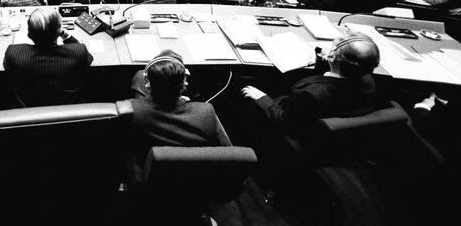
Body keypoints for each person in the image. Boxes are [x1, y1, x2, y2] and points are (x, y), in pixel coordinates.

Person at [241, 31, 383, 134]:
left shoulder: (309, 94)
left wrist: (263, 99)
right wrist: (324, 61)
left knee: (252, 93)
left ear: (332, 56)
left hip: (296, 129)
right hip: (335, 125)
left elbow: (285, 122)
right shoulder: (367, 80)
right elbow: (333, 81)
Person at [127, 50, 228, 186]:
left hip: (152, 179)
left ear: (147, 83)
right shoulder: (206, 111)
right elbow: (226, 151)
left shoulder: (132, 109)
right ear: (184, 84)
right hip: (193, 182)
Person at [2, 7, 93, 108]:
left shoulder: (14, 53)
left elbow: (9, 71)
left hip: (29, 107)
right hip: (69, 108)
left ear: (29, 33)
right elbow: (88, 58)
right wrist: (65, 35)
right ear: (59, 31)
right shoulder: (79, 52)